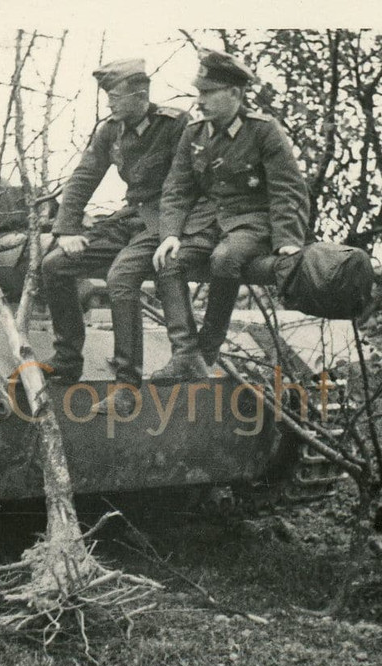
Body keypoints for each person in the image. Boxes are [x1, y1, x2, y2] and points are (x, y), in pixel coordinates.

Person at [42, 58, 209, 415]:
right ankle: (67, 359)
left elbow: (191, 182)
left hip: (167, 221)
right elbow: (84, 176)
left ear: (140, 95)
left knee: (120, 278)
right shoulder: (111, 130)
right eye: (108, 97)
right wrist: (68, 228)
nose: (110, 105)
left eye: (115, 97)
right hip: (132, 218)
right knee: (55, 265)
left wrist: (181, 231)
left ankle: (126, 387)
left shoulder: (175, 124)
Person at [151, 48, 310, 379]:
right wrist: (171, 234)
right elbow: (177, 189)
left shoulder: (263, 130)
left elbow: (287, 189)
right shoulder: (195, 133)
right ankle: (185, 354)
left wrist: (287, 240)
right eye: (199, 92)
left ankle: (207, 350)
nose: (200, 101)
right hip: (207, 222)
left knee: (225, 259)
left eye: (209, 93)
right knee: (168, 262)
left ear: (235, 94)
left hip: (252, 222)